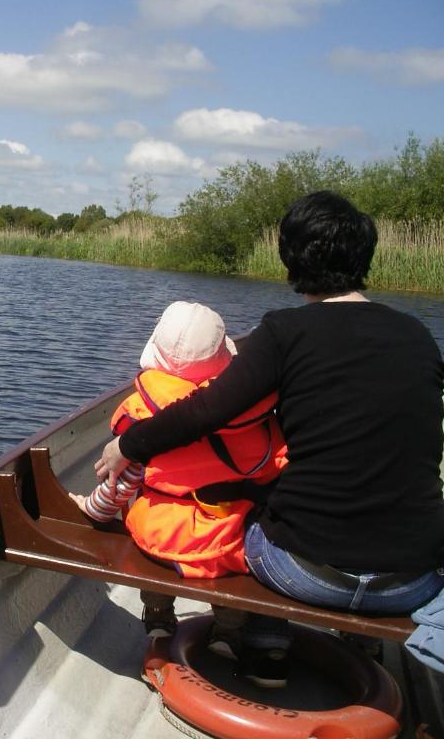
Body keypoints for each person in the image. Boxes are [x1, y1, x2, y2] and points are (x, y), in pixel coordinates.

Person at [94, 191, 444, 688]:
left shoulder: (285, 332)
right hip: (412, 582)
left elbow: (204, 410)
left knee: (249, 514)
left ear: (289, 257)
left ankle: (267, 647)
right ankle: (363, 644)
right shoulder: (417, 335)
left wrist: (126, 446)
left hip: (305, 571)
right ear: (365, 256)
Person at [72, 301, 286, 658]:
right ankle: (229, 633)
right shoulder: (249, 418)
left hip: (161, 538)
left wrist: (93, 510)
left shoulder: (142, 419)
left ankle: (158, 614)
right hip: (225, 542)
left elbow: (118, 488)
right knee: (238, 550)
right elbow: (271, 474)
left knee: (144, 521)